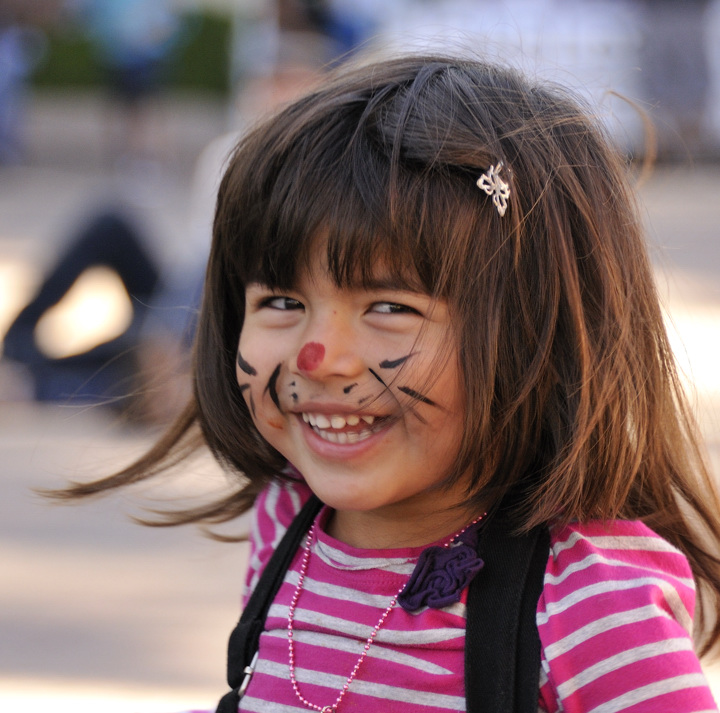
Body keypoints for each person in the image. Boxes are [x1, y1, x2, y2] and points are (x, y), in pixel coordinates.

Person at [53, 54, 720, 711]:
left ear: (536, 332)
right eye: (282, 301)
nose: (321, 358)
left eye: (391, 307)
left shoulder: (587, 602)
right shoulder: (290, 520)